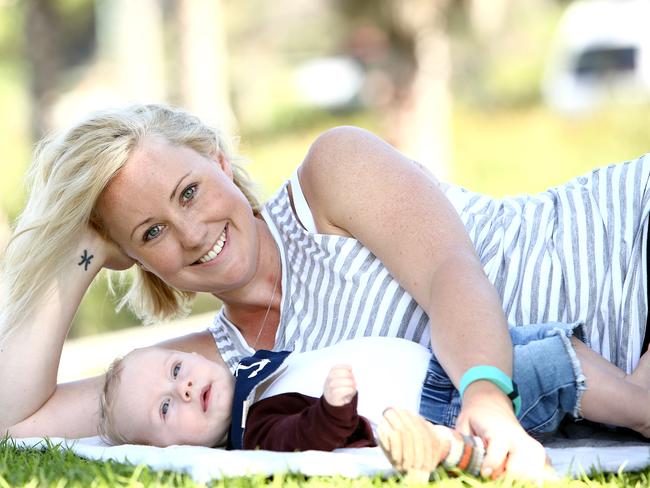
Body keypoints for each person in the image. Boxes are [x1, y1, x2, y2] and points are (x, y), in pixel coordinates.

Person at [1, 103, 649, 480]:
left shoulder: (329, 178)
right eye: (152, 231)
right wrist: (78, 251)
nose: (193, 232)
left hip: (628, 230)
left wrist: (485, 393)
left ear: (218, 160)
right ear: (134, 259)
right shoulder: (208, 371)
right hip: (622, 355)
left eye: (190, 190)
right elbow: (14, 420)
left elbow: (451, 272)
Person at [99, 326, 650, 481]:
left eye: (176, 370)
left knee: (549, 342)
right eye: (166, 409)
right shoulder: (256, 428)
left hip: (443, 366)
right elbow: (302, 442)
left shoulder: (249, 374)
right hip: (442, 404)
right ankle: (640, 409)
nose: (185, 388)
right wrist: (331, 412)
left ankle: (633, 397)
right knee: (553, 367)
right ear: (167, 447)